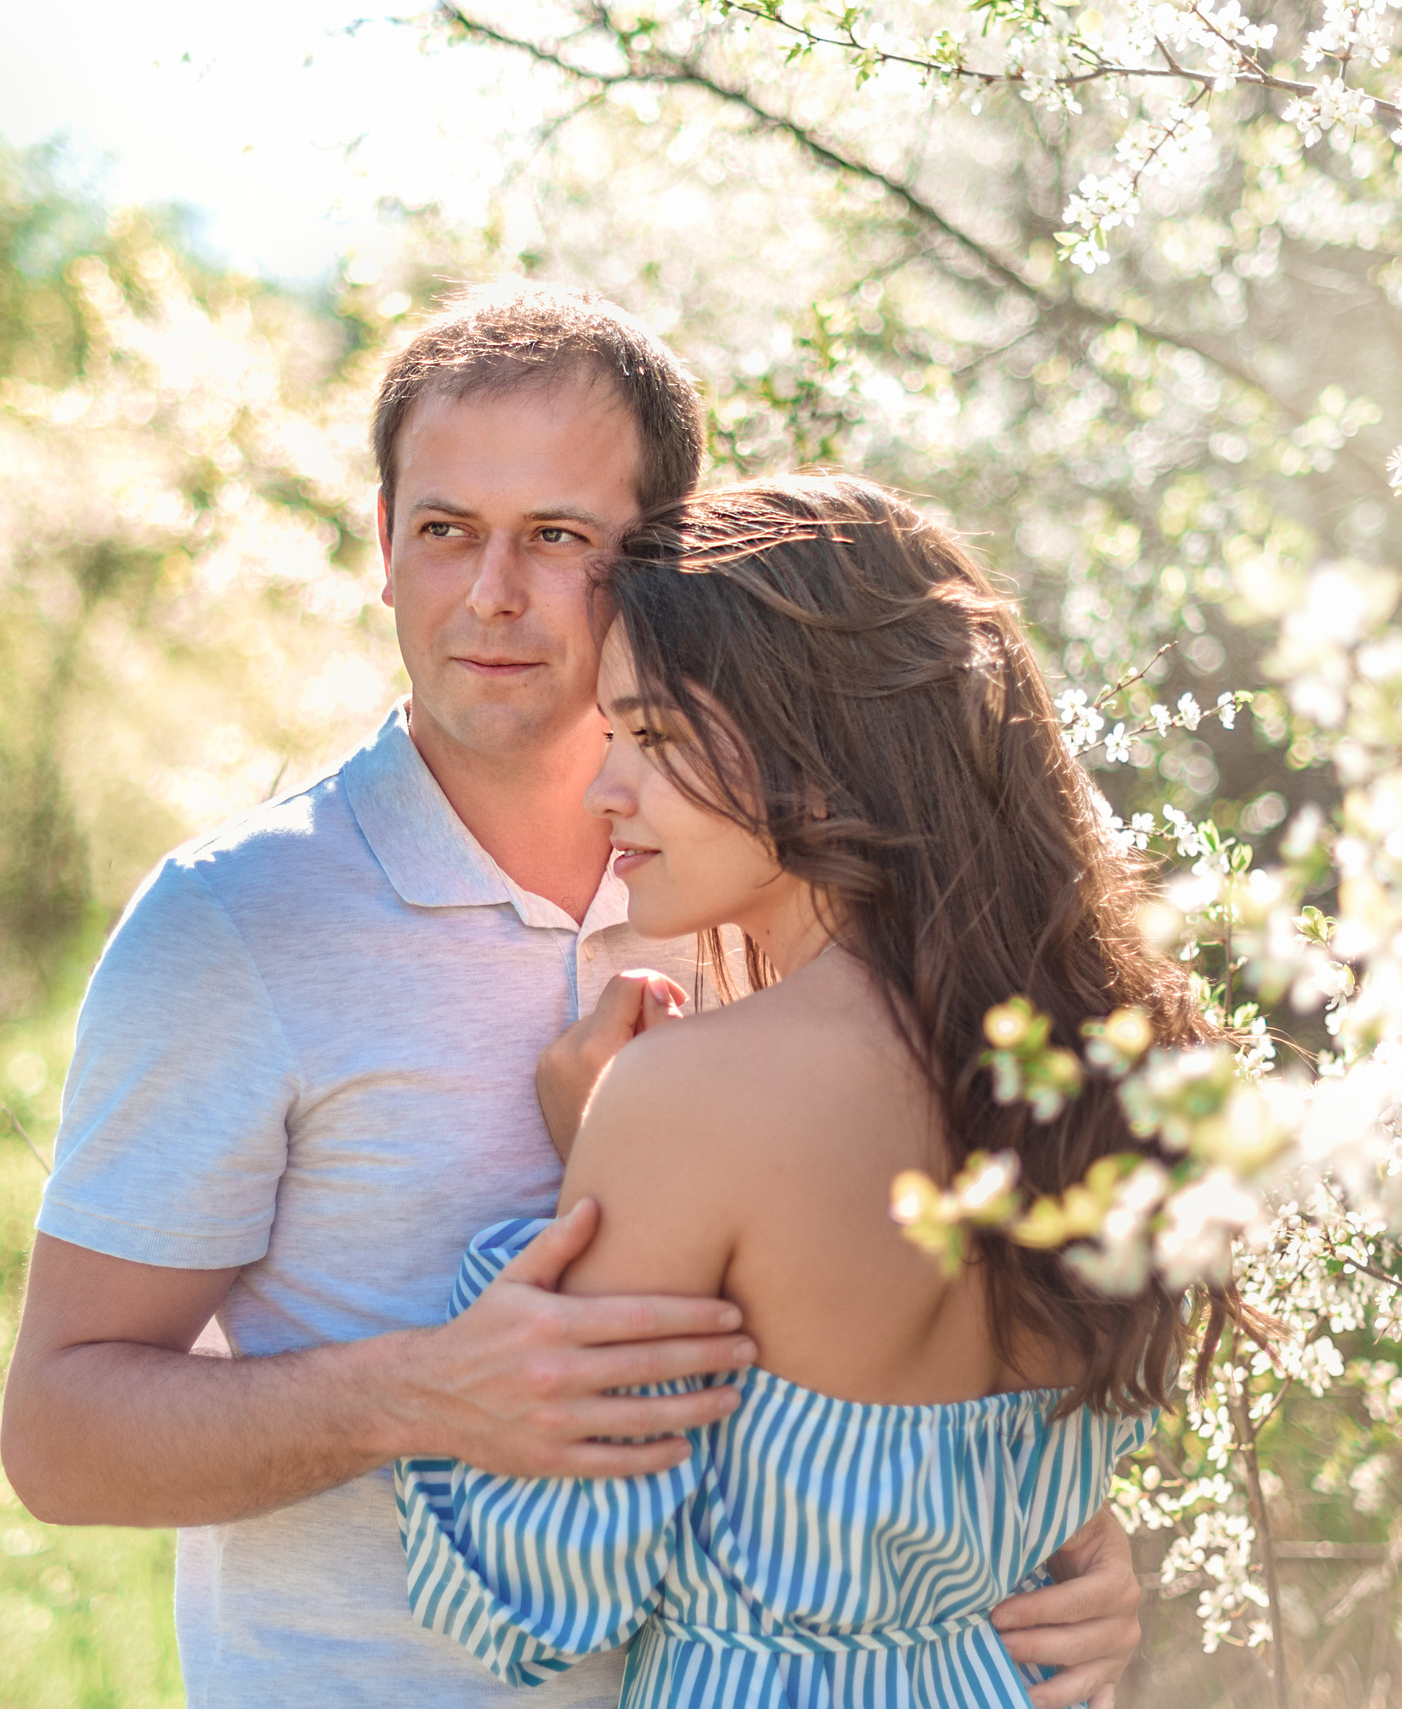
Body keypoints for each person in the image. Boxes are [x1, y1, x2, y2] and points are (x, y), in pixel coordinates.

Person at [0, 288, 1145, 1709]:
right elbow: (58, 1439)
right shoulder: (233, 923)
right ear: (382, 544)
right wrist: (414, 1390)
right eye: (445, 529)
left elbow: (872, 1383)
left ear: (658, 563)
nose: (491, 592)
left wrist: (1049, 1550)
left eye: (555, 537)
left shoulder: (760, 887)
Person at [394, 474, 1236, 1705]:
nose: (603, 788)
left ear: (826, 749)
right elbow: (1029, 1511)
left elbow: (542, 1595)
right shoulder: (1111, 1067)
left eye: (655, 737)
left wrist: (580, 1199)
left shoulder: (688, 1099)